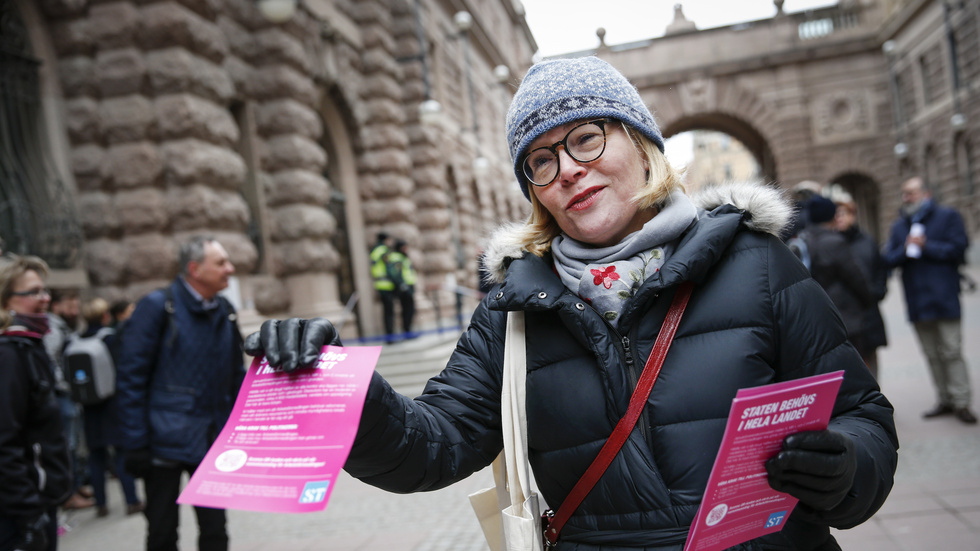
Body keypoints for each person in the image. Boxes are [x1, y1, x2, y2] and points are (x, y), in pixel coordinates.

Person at [245, 57, 898, 550]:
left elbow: (862, 415)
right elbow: (431, 446)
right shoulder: (513, 312)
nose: (569, 169)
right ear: (536, 191)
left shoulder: (757, 265)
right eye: (541, 159)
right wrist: (340, 390)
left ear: (640, 144)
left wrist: (845, 467)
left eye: (587, 138)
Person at [116, 236, 245, 551]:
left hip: (210, 439)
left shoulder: (224, 309)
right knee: (162, 531)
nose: (230, 269)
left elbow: (236, 376)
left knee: (215, 531)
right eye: (221, 263)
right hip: (162, 444)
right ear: (194, 269)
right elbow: (131, 378)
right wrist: (135, 444)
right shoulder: (158, 306)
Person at [883, 177, 975, 424]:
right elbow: (888, 259)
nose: (907, 198)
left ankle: (962, 402)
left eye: (911, 193)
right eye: (904, 194)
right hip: (917, 300)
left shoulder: (948, 216)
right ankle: (944, 399)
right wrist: (905, 249)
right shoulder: (900, 226)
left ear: (926, 194)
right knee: (932, 354)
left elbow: (958, 250)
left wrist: (926, 246)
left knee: (951, 352)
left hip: (944, 297)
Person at [0, 255, 72, 551]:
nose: (44, 299)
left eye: (45, 291)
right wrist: (28, 512)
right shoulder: (9, 353)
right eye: (33, 292)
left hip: (39, 499)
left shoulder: (29, 344)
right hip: (22, 509)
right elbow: (5, 439)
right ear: (5, 300)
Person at [78, 298, 144, 518]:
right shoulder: (109, 339)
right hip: (112, 404)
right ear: (106, 316)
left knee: (96, 456)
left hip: (88, 407)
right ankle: (131, 500)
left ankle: (101, 504)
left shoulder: (75, 340)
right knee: (121, 453)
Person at [801, 195, 876, 369]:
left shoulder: (803, 240)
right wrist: (868, 301)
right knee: (856, 370)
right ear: (832, 216)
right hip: (844, 316)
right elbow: (856, 278)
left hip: (817, 318)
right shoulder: (833, 242)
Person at [42, 288, 93, 511]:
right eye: (69, 306)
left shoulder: (60, 327)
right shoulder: (53, 329)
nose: (74, 311)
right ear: (56, 307)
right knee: (68, 445)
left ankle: (75, 485)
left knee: (74, 443)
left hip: (66, 392)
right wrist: (65, 384)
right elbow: (51, 361)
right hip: (61, 394)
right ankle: (69, 493)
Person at [834, 199, 888, 377]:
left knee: (870, 362)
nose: (839, 218)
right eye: (836, 214)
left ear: (852, 216)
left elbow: (880, 269)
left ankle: (874, 400)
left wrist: (878, 291)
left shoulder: (866, 241)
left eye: (843, 213)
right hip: (842, 314)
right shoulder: (830, 244)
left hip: (867, 311)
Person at [369, 232, 397, 341]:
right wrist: (396, 282)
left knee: (386, 311)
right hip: (387, 285)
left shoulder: (374, 250)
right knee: (389, 312)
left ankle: (389, 335)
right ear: (385, 240)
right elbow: (389, 268)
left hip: (379, 284)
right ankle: (390, 336)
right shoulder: (384, 251)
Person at [388, 239, 418, 338]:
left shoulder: (403, 257)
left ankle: (408, 330)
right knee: (407, 310)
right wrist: (402, 285)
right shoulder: (396, 257)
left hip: (408, 286)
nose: (406, 249)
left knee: (410, 310)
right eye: (404, 247)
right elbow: (396, 273)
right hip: (404, 288)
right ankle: (407, 332)